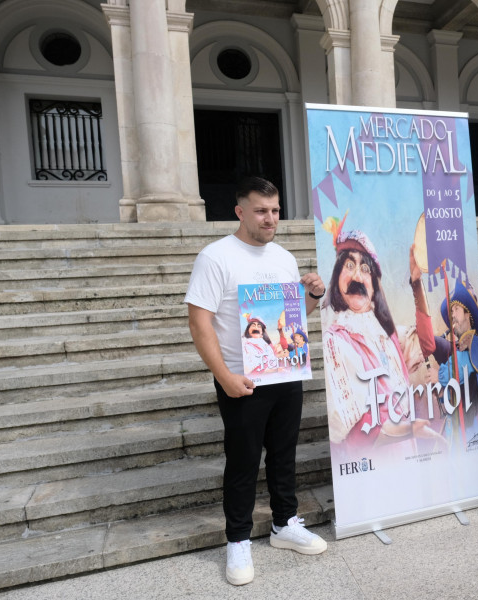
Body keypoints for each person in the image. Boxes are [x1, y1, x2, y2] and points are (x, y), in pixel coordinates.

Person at [184, 177, 327, 587]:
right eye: (261, 210)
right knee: (243, 462)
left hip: (285, 373)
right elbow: (199, 323)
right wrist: (224, 377)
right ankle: (238, 539)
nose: (270, 218)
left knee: (284, 455)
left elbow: (291, 323)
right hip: (241, 379)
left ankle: (284, 525)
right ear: (240, 212)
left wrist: (313, 297)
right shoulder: (216, 258)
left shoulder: (282, 257)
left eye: (276, 210)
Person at [320, 214, 443, 459]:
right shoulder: (336, 341)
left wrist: (416, 284)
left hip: (404, 455)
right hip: (372, 466)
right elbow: (353, 431)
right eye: (349, 265)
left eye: (364, 268)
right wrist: (408, 431)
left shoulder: (386, 334)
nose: (357, 277)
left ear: (374, 283)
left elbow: (428, 344)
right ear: (337, 277)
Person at [409, 245, 478, 440]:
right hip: (453, 431)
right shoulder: (454, 346)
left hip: (469, 434)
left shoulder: (474, 342)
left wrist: (438, 375)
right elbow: (429, 342)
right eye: (450, 312)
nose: (452, 316)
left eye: (456, 310)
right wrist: (417, 285)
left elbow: (459, 370)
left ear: (468, 312)